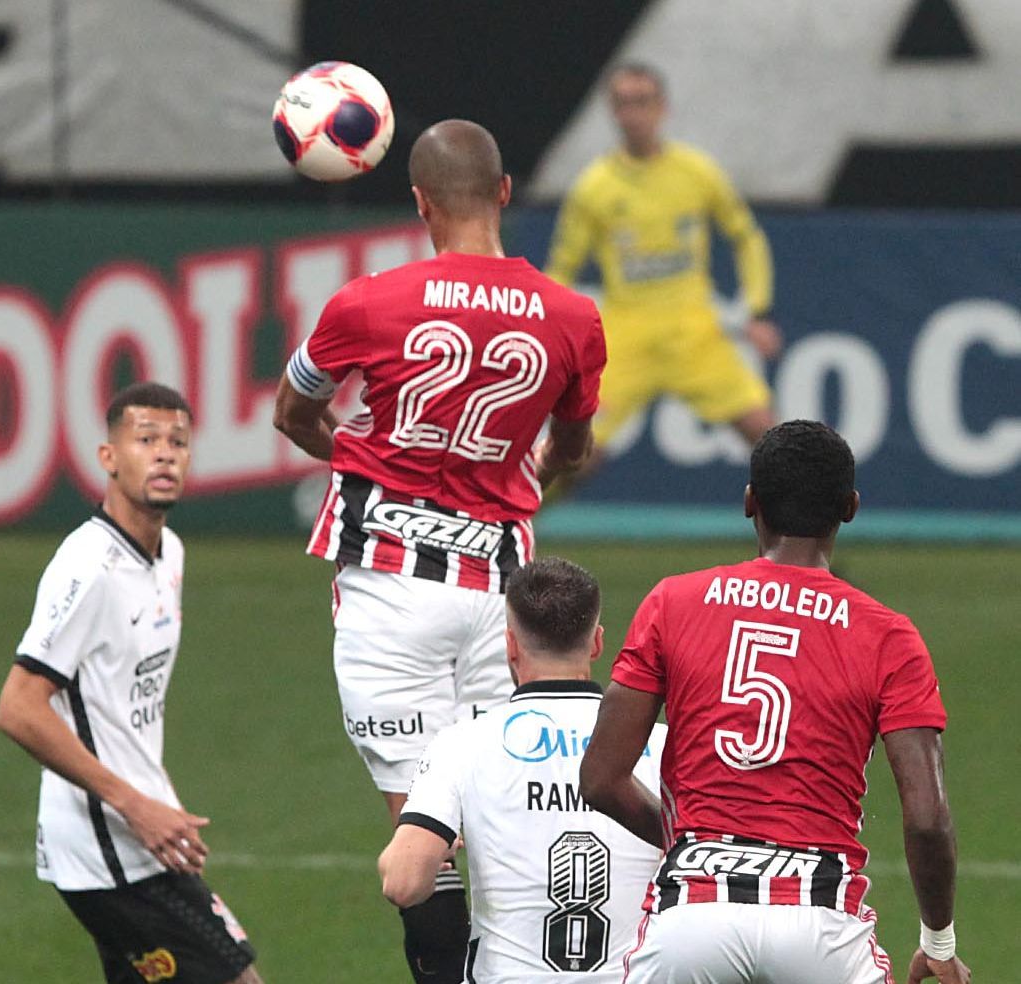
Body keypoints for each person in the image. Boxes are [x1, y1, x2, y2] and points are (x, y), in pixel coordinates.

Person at [273, 119, 605, 982]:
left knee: (424, 836)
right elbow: (574, 448)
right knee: (514, 822)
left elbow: (293, 413)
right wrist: (526, 469)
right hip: (503, 599)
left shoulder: (365, 303)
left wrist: (361, 460)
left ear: (420, 203)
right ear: (505, 193)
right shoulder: (574, 318)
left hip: (390, 590)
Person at [579, 421, 968, 984]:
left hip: (693, 912)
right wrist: (938, 941)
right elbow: (928, 819)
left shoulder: (673, 602)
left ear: (749, 502)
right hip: (819, 915)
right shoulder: (888, 636)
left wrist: (696, 846)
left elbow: (600, 778)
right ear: (850, 508)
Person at [0, 382, 261, 984]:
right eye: (146, 439)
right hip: (108, 847)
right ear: (109, 457)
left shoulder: (170, 553)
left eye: (178, 442)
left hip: (148, 830)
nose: (164, 453)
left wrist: (153, 801)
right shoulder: (89, 568)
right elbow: (18, 708)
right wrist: (135, 806)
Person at [378, 557, 665, 982]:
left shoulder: (461, 743)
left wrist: (423, 850)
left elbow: (403, 883)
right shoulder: (659, 744)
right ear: (597, 643)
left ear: (510, 646)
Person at [546, 62, 781, 461]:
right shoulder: (594, 188)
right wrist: (545, 333)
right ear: (613, 112)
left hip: (694, 333)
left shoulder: (696, 173)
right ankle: (518, 506)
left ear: (662, 108)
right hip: (624, 338)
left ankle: (811, 505)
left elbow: (747, 237)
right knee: (573, 456)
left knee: (770, 438)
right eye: (623, 103)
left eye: (642, 102)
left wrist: (757, 310)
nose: (633, 114)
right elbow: (562, 269)